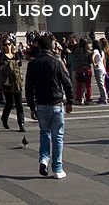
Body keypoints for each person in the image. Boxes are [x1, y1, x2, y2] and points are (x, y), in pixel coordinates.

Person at [25, 35, 73, 179]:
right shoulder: (57, 62)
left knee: (44, 132)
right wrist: (70, 101)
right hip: (56, 103)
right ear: (51, 47)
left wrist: (32, 106)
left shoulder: (33, 64)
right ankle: (58, 169)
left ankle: (44, 160)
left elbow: (28, 88)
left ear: (39, 47)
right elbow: (67, 82)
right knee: (57, 136)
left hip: (41, 104)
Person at [0, 42, 26, 131]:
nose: (7, 46)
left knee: (19, 103)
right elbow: (1, 66)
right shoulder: (2, 56)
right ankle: (4, 118)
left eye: (9, 44)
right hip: (7, 82)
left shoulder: (16, 54)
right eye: (5, 44)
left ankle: (21, 123)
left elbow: (20, 63)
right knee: (9, 103)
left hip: (17, 81)